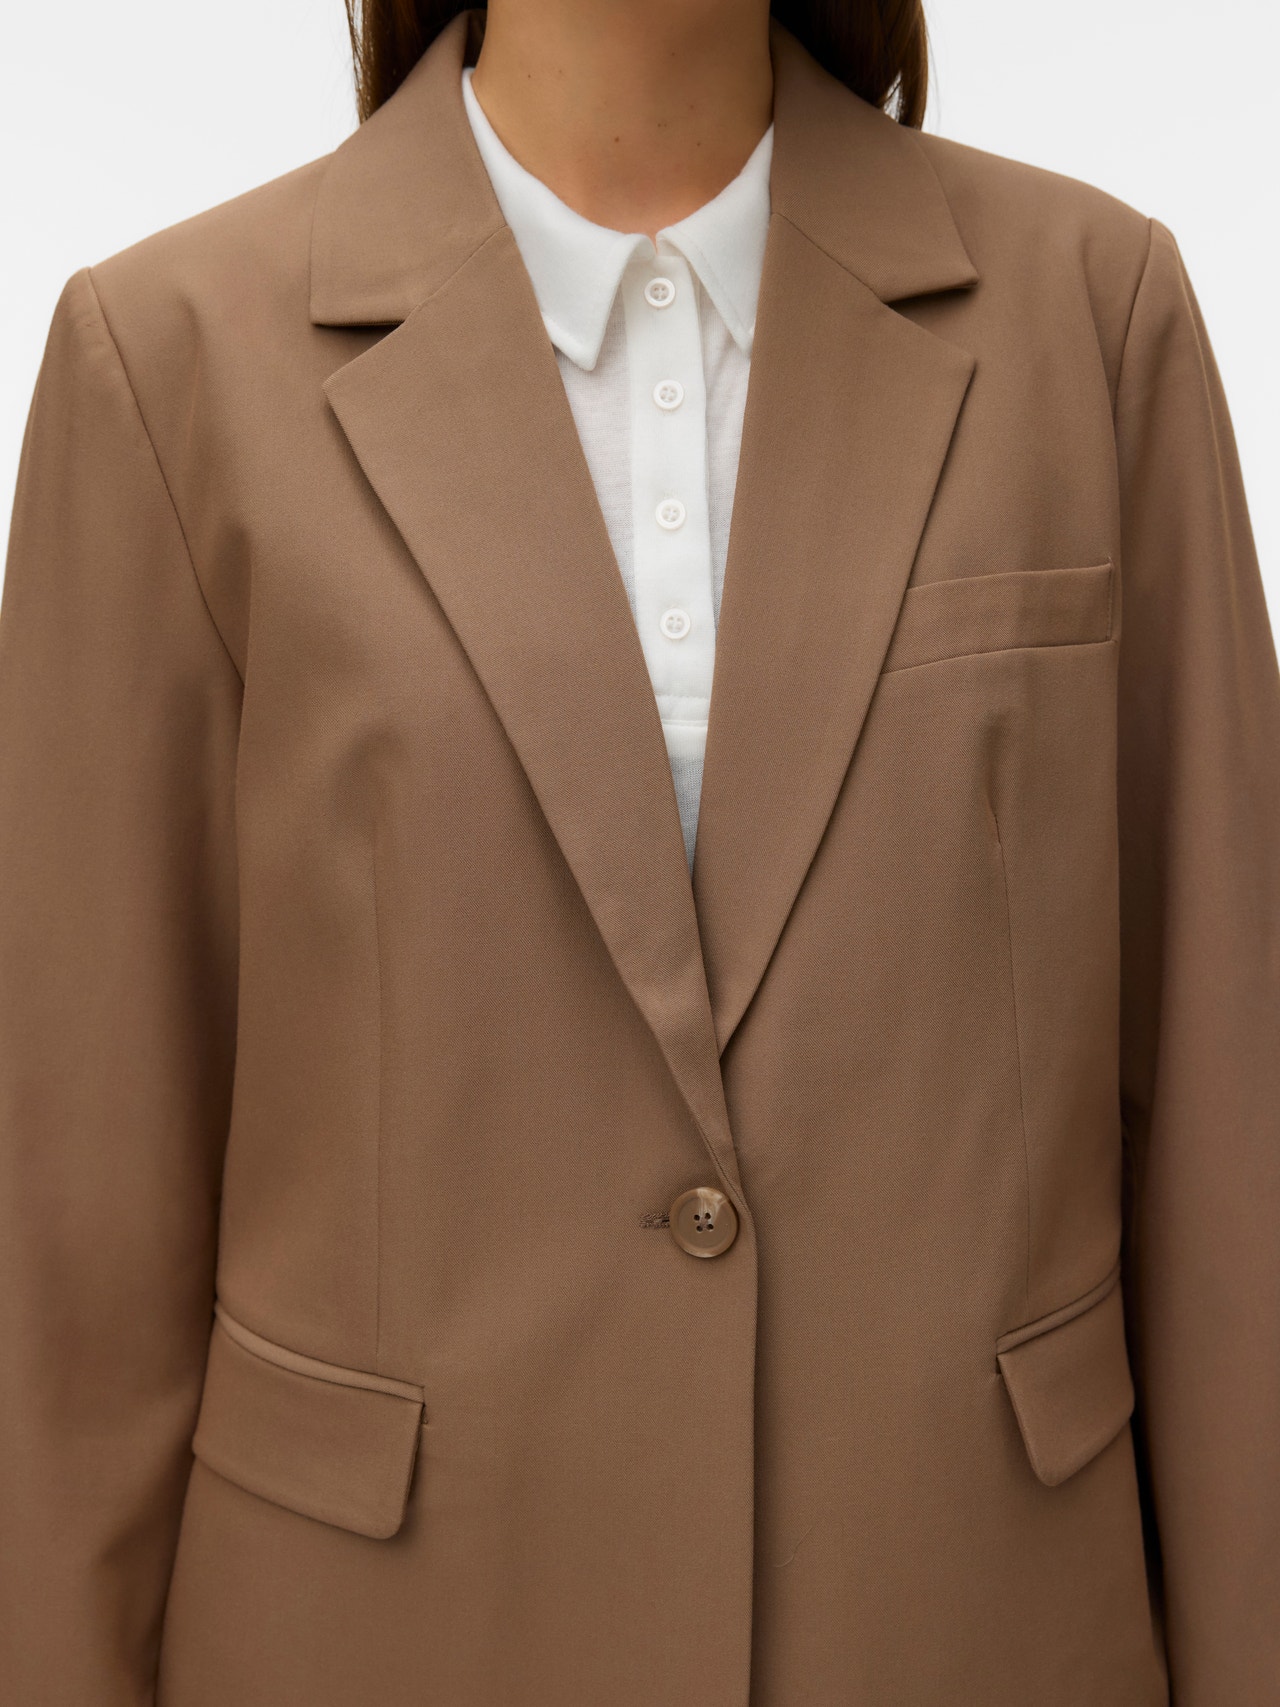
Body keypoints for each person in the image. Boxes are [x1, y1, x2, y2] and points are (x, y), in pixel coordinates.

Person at [0, 1, 1275, 1701]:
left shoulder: (1094, 317)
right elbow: (75, 1234)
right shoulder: (165, 361)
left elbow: (1230, 1128)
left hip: (967, 1629)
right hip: (378, 1645)